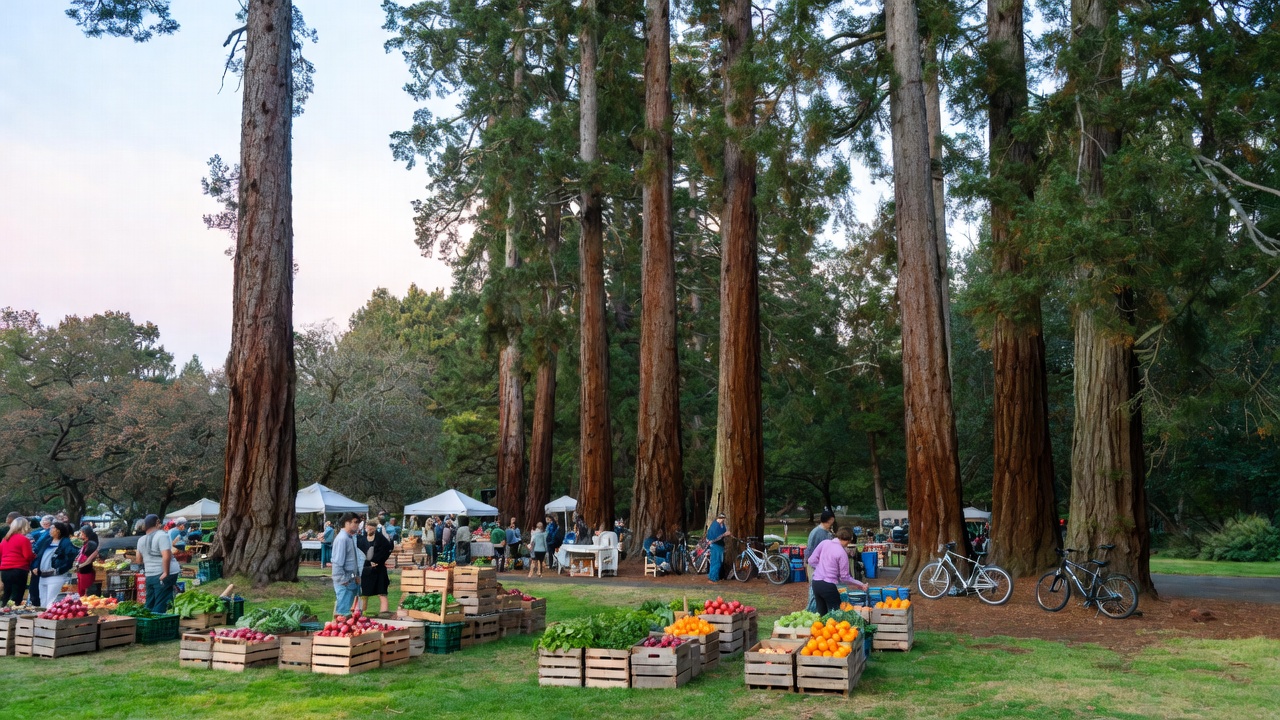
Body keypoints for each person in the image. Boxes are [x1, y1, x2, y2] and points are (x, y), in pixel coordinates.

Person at [808, 528, 867, 614]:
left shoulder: (824, 543)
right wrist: (860, 584)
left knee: (822, 614)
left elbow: (811, 560)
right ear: (850, 540)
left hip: (816, 583)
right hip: (828, 586)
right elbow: (845, 578)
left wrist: (821, 568)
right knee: (837, 614)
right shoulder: (842, 553)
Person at [135, 514, 180, 613]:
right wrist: (166, 572)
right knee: (161, 603)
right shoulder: (162, 535)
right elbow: (166, 556)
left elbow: (138, 560)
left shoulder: (141, 540)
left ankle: (146, 625)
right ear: (157, 522)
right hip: (162, 575)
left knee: (150, 604)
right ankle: (157, 626)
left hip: (150, 575)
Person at [356, 520, 392, 615]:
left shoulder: (381, 539)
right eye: (368, 527)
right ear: (366, 527)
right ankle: (361, 613)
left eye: (372, 528)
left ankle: (384, 613)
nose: (370, 530)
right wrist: (366, 562)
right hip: (366, 569)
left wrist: (377, 560)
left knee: (382, 592)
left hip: (379, 569)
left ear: (375, 528)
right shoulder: (361, 539)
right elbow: (359, 553)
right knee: (363, 593)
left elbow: (386, 550)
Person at [331, 513, 363, 616]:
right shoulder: (342, 539)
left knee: (348, 613)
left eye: (358, 523)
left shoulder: (349, 537)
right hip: (345, 581)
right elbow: (337, 561)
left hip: (351, 579)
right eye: (355, 522)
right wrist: (341, 579)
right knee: (343, 614)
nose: (357, 525)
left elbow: (353, 560)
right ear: (347, 523)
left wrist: (357, 575)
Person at [805, 511, 837, 612]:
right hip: (816, 567)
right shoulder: (818, 533)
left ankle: (820, 613)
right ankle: (812, 613)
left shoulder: (826, 532)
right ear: (831, 519)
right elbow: (811, 552)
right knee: (815, 592)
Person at [1, 517, 35, 605]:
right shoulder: (24, 539)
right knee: (17, 595)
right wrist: (34, 556)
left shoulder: (4, 540)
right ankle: (15, 613)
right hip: (19, 569)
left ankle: (3, 611)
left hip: (5, 570)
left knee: (7, 593)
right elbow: (27, 556)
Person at [27, 515, 54, 606]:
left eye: (48, 524)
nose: (45, 525)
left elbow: (39, 549)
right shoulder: (38, 532)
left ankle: (38, 603)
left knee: (37, 585)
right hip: (38, 562)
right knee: (37, 585)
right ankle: (37, 602)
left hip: (41, 563)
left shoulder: (47, 534)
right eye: (44, 523)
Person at [75, 525, 101, 596]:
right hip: (82, 570)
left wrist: (80, 565)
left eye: (81, 533)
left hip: (86, 571)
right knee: (82, 592)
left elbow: (89, 559)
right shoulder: (86, 543)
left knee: (85, 594)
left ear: (85, 534)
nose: (79, 534)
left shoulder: (91, 544)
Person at [705, 513, 731, 583]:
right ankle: (712, 578)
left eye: (723, 519)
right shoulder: (715, 526)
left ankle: (715, 577)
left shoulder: (722, 525)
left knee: (719, 562)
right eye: (720, 518)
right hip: (715, 545)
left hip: (720, 545)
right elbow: (714, 538)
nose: (722, 520)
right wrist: (724, 534)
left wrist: (726, 534)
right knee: (715, 562)